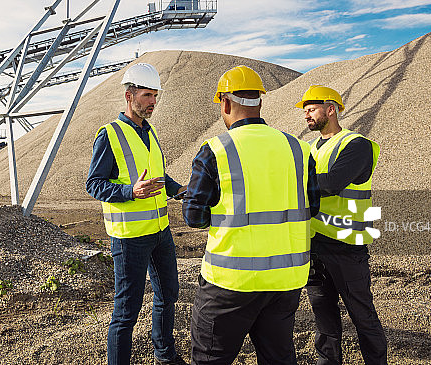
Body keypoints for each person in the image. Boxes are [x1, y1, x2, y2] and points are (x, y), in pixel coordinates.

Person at [182, 65, 320, 365]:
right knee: (278, 358)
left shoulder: (215, 150)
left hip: (230, 282)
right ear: (260, 101)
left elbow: (193, 216)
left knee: (210, 359)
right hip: (286, 280)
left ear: (226, 103)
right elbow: (314, 206)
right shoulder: (298, 148)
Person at [86, 62, 188, 365]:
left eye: (155, 95)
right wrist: (131, 192)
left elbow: (159, 176)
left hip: (160, 232)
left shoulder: (150, 130)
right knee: (126, 311)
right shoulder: (110, 135)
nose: (153, 101)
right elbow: (94, 184)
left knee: (169, 294)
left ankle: (164, 355)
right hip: (129, 238)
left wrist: (180, 191)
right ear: (129, 95)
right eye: (147, 95)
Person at [296, 85, 387, 365]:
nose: (306, 116)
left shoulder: (356, 145)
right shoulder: (310, 148)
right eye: (305, 111)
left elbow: (332, 184)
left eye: (311, 110)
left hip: (347, 245)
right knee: (323, 317)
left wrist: (289, 185)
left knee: (362, 315)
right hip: (315, 244)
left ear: (331, 109)